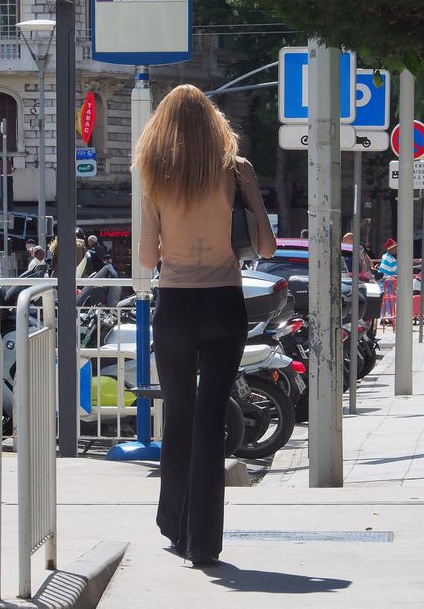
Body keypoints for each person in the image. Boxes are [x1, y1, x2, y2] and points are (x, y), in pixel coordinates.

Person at [135, 84, 275, 566]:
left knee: (178, 413)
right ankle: (204, 542)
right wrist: (250, 192)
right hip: (223, 302)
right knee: (212, 416)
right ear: (215, 123)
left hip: (174, 304)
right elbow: (268, 249)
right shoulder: (234, 171)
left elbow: (145, 256)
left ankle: (173, 524)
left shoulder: (154, 172)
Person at [379, 238, 398, 323]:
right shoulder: (390, 258)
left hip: (385, 280)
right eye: (395, 248)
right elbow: (395, 270)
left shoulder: (385, 256)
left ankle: (384, 317)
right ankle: (389, 317)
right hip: (388, 281)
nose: (396, 250)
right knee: (390, 299)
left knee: (386, 300)